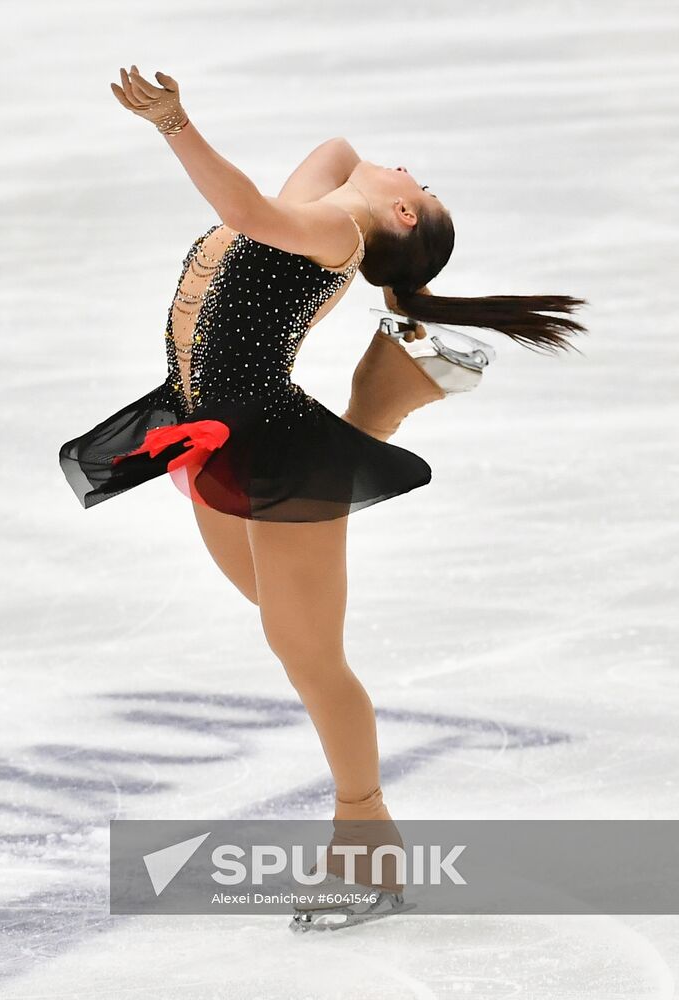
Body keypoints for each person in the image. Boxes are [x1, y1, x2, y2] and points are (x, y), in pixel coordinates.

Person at [59, 67, 587, 929]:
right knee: (273, 611)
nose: (408, 169)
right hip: (203, 428)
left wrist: (175, 123)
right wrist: (373, 221)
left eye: (420, 186)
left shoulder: (333, 234)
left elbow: (253, 213)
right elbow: (336, 150)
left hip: (268, 444)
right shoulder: (329, 223)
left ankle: (369, 844)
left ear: (402, 214)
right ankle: (385, 396)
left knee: (309, 657)